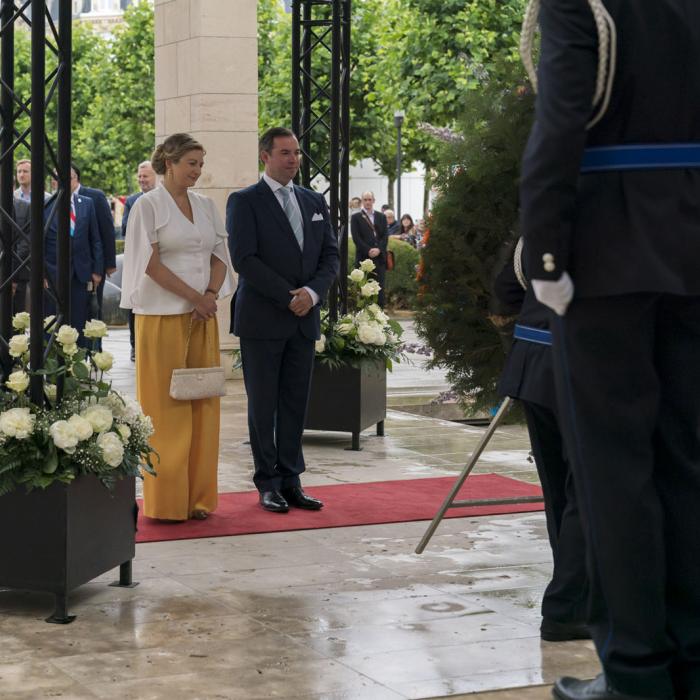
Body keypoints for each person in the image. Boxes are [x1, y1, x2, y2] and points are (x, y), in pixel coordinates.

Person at [519, 1, 700, 698]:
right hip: (690, 249)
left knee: (612, 475)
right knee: (684, 461)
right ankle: (690, 659)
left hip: (605, 258)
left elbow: (559, 124)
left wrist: (543, 255)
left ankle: (635, 673)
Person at [120, 133, 235, 522]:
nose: (198, 171)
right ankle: (167, 502)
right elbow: (149, 265)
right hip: (161, 318)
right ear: (169, 162)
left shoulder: (205, 206)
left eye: (201, 164)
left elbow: (220, 255)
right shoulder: (147, 207)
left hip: (201, 318)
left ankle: (198, 498)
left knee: (203, 404)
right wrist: (195, 296)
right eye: (192, 163)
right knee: (166, 411)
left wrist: (210, 293)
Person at [226, 126, 339, 514]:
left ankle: (292, 480)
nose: (294, 159)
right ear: (266, 156)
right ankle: (267, 483)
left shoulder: (313, 201)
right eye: (285, 153)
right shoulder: (245, 202)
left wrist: (311, 294)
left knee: (295, 403)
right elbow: (245, 259)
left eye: (297, 153)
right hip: (262, 320)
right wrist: (287, 296)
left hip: (303, 320)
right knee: (263, 405)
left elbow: (331, 256)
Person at [494, 239, 589, 643]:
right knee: (589, 493)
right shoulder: (615, 217)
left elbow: (504, 291)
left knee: (560, 492)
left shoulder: (538, 226)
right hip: (582, 369)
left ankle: (574, 596)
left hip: (533, 362)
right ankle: (569, 607)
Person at [44, 180, 103, 346]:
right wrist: (41, 274)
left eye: (69, 177)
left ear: (75, 180)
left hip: (81, 272)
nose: (64, 181)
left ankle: (77, 360)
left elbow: (95, 239)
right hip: (53, 273)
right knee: (52, 319)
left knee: (78, 318)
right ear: (54, 183)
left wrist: (97, 270)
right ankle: (53, 360)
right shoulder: (45, 205)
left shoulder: (86, 203)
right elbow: (37, 242)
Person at [121, 160, 158, 362]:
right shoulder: (133, 200)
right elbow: (126, 228)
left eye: (146, 176)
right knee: (134, 305)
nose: (141, 179)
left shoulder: (163, 200)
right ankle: (135, 347)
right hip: (139, 263)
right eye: (140, 176)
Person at [71, 164, 117, 323]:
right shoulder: (55, 200)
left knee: (92, 310)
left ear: (75, 177)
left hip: (91, 265)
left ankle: (94, 346)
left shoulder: (94, 197)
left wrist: (109, 263)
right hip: (66, 267)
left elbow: (106, 230)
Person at [350, 190, 388, 307]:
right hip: (363, 258)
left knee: (379, 290)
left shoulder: (381, 216)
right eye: (365, 200)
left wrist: (378, 250)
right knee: (364, 291)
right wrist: (368, 250)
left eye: (369, 199)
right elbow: (356, 238)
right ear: (362, 202)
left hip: (379, 259)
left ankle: (380, 317)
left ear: (374, 201)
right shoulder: (356, 217)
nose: (367, 202)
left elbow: (385, 236)